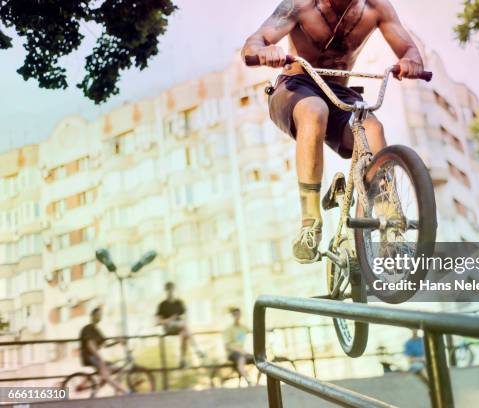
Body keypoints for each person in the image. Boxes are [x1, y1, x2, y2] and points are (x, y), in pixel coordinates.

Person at [242, 0, 426, 263]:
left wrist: (411, 60)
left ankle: (391, 233)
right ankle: (310, 223)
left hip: (339, 92)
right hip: (296, 86)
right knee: (315, 111)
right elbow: (254, 41)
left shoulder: (376, 8)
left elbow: (408, 48)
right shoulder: (300, 5)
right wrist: (264, 50)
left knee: (373, 129)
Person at [79, 306, 128, 395]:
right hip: (89, 356)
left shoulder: (97, 330)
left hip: (96, 357)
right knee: (106, 375)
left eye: (101, 315)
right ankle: (126, 392)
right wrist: (100, 359)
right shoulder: (87, 328)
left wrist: (118, 341)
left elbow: (106, 344)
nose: (100, 317)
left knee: (120, 369)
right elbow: (90, 345)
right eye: (98, 315)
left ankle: (116, 391)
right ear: (92, 316)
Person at [156, 282, 205, 368]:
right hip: (169, 327)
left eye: (172, 289)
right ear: (166, 291)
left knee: (184, 334)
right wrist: (170, 319)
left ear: (174, 290)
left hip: (180, 327)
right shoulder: (162, 305)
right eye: (168, 289)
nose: (170, 291)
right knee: (184, 325)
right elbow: (158, 321)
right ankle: (197, 349)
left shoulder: (179, 303)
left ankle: (182, 360)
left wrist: (180, 321)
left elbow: (185, 316)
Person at [223, 307, 253, 386]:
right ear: (232, 316)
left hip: (243, 351)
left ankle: (255, 382)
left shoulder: (243, 327)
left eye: (239, 314)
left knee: (258, 359)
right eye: (235, 314)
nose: (237, 316)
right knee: (241, 358)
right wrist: (241, 351)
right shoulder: (228, 329)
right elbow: (227, 346)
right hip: (233, 352)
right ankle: (249, 380)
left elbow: (254, 331)